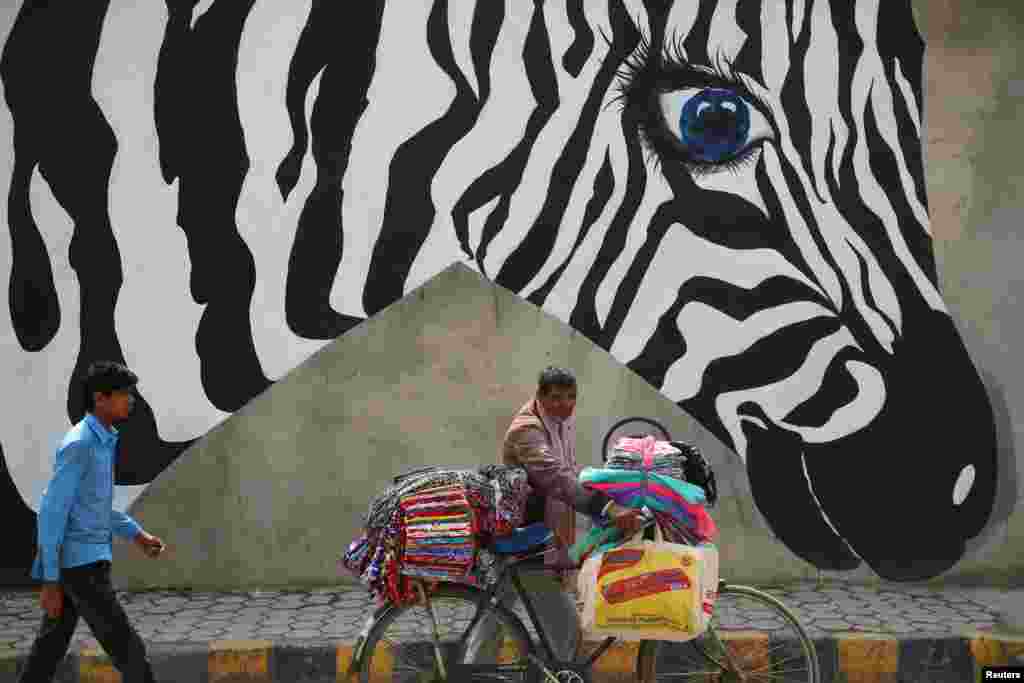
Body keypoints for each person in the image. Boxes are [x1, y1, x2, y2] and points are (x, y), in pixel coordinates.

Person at [467, 366, 643, 664]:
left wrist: (610, 492)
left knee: (496, 613)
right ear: (540, 396)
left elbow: (571, 473)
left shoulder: (560, 421)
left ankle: (471, 671)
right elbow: (556, 478)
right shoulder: (527, 431)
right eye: (557, 398)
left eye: (572, 397)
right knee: (565, 627)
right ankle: (565, 672)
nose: (566, 404)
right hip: (527, 540)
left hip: (539, 535)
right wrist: (606, 507)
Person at [19, 361, 167, 683]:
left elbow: (96, 507)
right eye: (124, 394)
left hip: (85, 562)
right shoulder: (80, 444)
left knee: (48, 650)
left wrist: (137, 535)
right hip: (80, 568)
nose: (131, 401)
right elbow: (52, 512)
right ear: (100, 399)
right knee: (128, 649)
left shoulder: (102, 441)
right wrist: (50, 580)